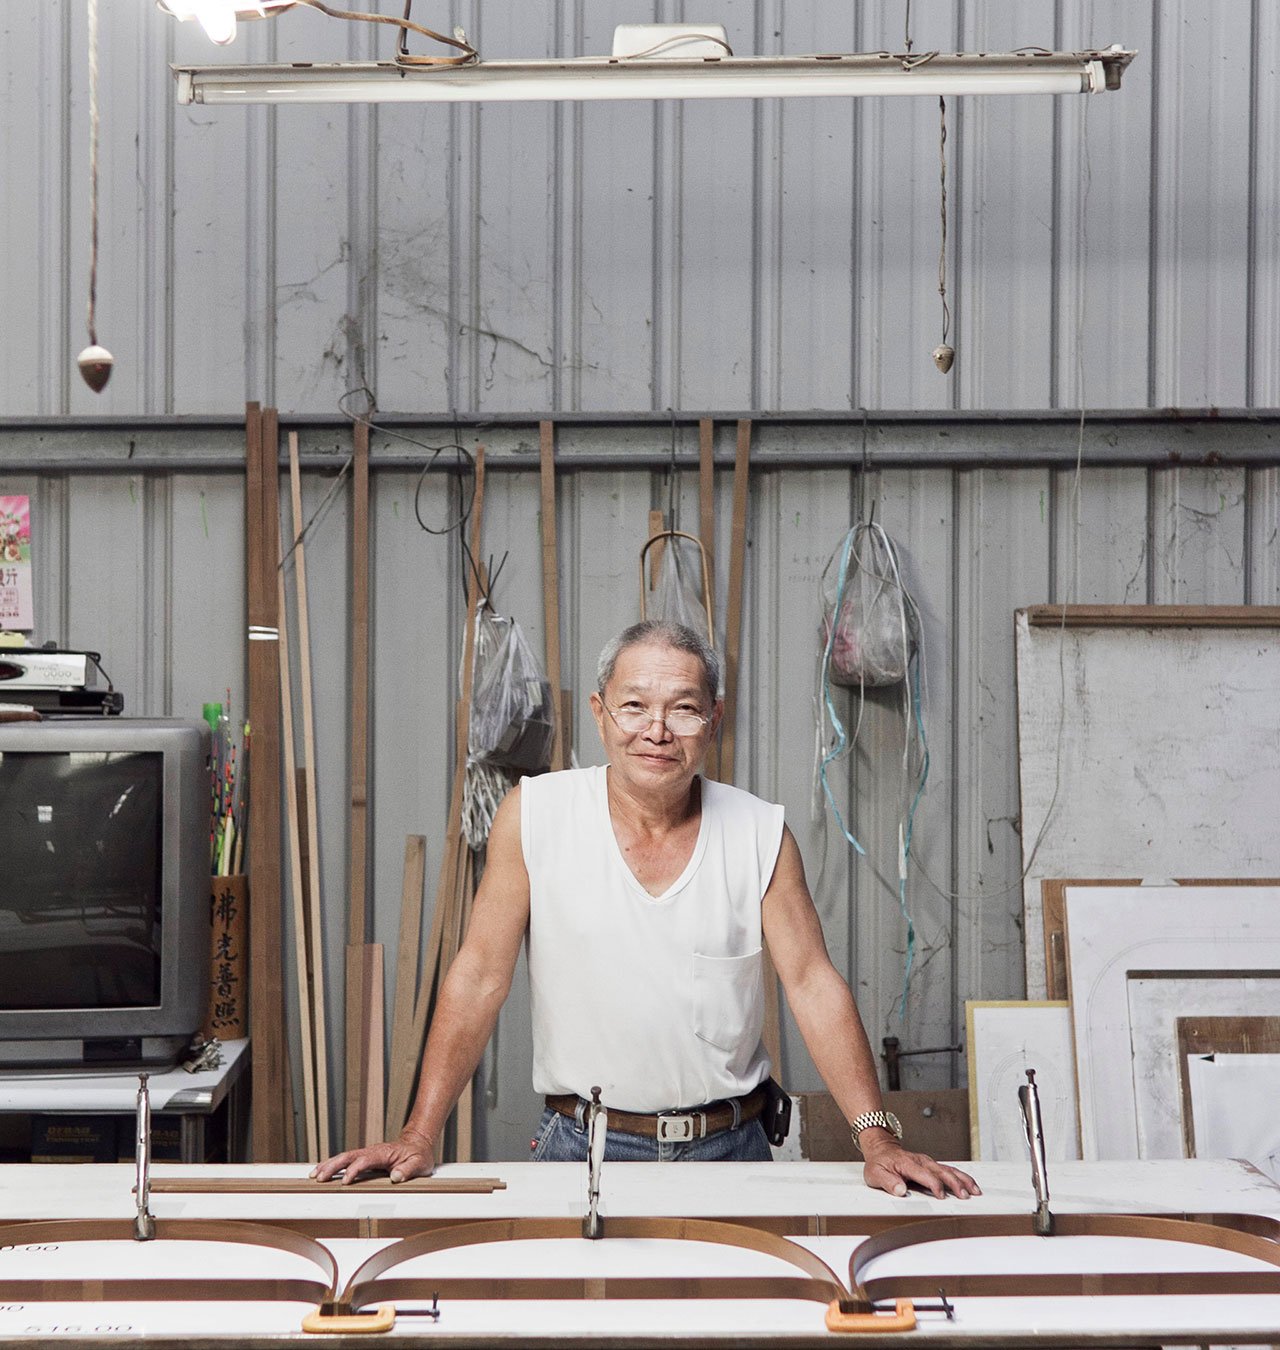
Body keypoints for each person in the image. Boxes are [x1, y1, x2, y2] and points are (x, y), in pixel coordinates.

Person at [313, 620, 978, 1199]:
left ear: (714, 720)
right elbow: (480, 975)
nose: (656, 730)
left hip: (733, 1149)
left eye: (683, 709)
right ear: (600, 714)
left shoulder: (759, 834)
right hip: (581, 1148)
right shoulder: (536, 816)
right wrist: (420, 1133)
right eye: (634, 707)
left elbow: (812, 987)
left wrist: (876, 1139)